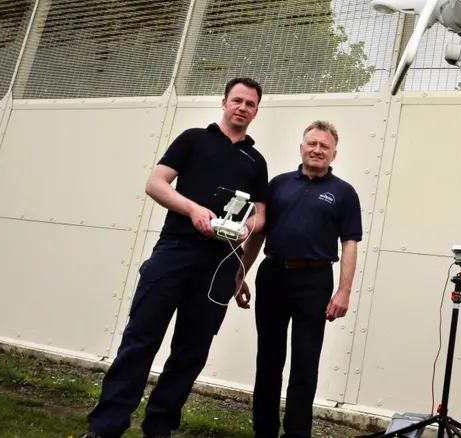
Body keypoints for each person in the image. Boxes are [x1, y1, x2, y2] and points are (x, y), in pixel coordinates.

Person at [82, 77, 271, 438]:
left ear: (256, 111)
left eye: (250, 104)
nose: (242, 107)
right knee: (141, 339)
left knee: (191, 351)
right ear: (224, 103)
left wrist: (245, 233)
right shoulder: (193, 139)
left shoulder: (255, 161)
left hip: (218, 264)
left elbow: (260, 216)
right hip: (175, 251)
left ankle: (159, 427)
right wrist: (193, 210)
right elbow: (156, 183)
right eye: (237, 100)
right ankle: (106, 426)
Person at [234, 120, 364, 438]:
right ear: (302, 148)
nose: (317, 150)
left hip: (315, 281)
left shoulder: (344, 193)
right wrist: (239, 275)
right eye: (312, 144)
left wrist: (344, 291)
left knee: (305, 362)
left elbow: (350, 243)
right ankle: (264, 431)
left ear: (334, 154)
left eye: (324, 146)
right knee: (269, 359)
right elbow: (257, 235)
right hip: (273, 276)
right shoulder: (277, 185)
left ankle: (297, 432)